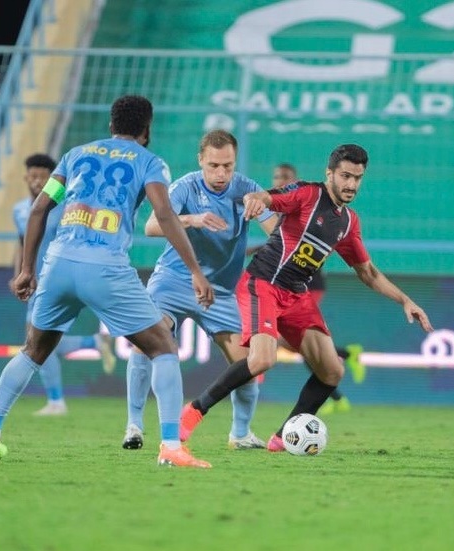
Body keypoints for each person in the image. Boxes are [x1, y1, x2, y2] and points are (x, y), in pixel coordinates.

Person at [0, 94, 215, 468]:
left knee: (33, 350)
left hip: (58, 265)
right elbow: (164, 215)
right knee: (163, 347)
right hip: (104, 268)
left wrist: (26, 269)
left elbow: (39, 209)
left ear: (111, 126)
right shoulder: (150, 162)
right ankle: (170, 446)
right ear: (147, 129)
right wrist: (196, 271)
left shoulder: (75, 155)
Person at [179, 144, 434, 452]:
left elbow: (367, 272)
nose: (351, 184)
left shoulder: (349, 222)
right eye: (345, 176)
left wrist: (405, 300)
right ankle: (194, 410)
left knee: (332, 370)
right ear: (330, 174)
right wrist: (255, 200)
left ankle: (282, 437)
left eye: (357, 177)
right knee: (263, 359)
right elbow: (267, 197)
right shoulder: (307, 194)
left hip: (297, 295)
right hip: (264, 284)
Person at [122, 129, 274, 451]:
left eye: (227, 166)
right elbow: (151, 227)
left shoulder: (247, 190)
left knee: (246, 362)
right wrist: (191, 219)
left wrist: (262, 207)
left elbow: (278, 232)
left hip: (220, 291)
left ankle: (241, 433)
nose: (221, 174)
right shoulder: (185, 187)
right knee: (146, 340)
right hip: (173, 281)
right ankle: (134, 425)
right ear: (201, 160)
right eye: (214, 166)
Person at [248, 162, 366, 417]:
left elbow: (284, 241)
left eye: (285, 177)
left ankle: (340, 360)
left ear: (294, 180)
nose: (280, 180)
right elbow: (278, 240)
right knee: (298, 346)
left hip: (304, 285)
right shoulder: (278, 203)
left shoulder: (303, 201)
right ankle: (339, 377)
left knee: (288, 341)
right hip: (285, 282)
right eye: (277, 176)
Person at [11, 153, 117, 416]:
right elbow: (22, 243)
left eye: (42, 177)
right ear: (26, 177)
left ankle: (57, 401)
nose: (37, 182)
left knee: (34, 340)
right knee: (41, 341)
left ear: (53, 179)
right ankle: (93, 343)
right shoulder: (19, 210)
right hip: (34, 279)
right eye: (33, 176)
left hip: (53, 278)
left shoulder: (65, 208)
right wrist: (19, 273)